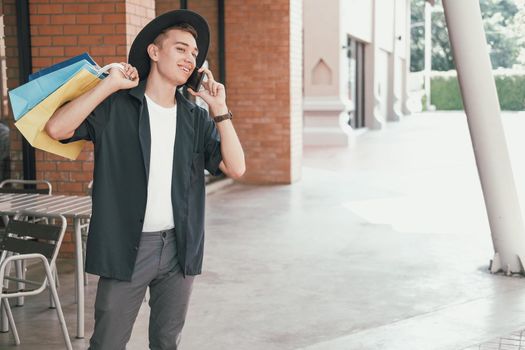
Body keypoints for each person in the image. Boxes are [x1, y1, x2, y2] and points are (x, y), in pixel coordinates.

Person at [45, 9, 245, 350]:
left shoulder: (195, 117)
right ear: (154, 52)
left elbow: (236, 168)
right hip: (128, 246)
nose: (189, 59)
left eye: (194, 54)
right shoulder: (117, 106)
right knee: (107, 343)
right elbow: (56, 129)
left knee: (167, 342)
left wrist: (219, 109)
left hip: (180, 248)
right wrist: (107, 85)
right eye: (181, 49)